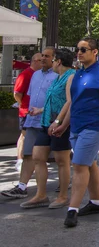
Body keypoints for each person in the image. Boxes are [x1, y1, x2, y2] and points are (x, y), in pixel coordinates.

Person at [47, 38, 99, 228]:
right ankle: (96, 203)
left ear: (95, 52)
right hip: (76, 127)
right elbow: (74, 103)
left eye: (84, 49)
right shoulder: (78, 74)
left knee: (79, 165)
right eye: (78, 49)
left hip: (94, 127)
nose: (79, 53)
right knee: (90, 164)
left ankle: (72, 210)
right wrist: (63, 125)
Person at [19, 48, 76, 209]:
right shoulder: (58, 77)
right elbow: (52, 100)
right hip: (46, 122)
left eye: (52, 58)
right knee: (37, 156)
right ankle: (41, 195)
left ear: (58, 61)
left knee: (61, 160)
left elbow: (69, 101)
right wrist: (40, 110)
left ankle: (63, 196)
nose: (49, 61)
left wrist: (58, 121)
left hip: (59, 124)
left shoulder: (70, 76)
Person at [2, 48, 57, 200]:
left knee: (58, 157)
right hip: (33, 121)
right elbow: (30, 96)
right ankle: (22, 187)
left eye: (46, 57)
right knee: (28, 155)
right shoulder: (35, 75)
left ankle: (61, 186)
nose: (43, 59)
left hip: (49, 122)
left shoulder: (57, 76)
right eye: (42, 57)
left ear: (53, 59)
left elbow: (59, 101)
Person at [13, 53, 42, 173]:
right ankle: (20, 160)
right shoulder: (26, 74)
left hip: (35, 111)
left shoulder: (38, 75)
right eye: (41, 60)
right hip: (26, 111)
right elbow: (17, 93)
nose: (43, 61)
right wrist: (23, 105)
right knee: (24, 136)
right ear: (35, 61)